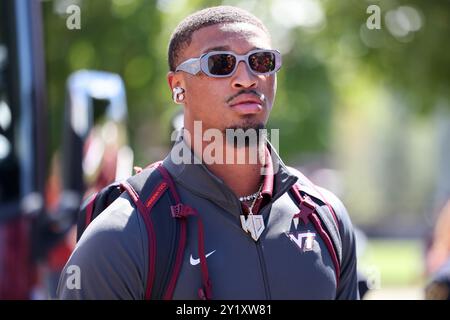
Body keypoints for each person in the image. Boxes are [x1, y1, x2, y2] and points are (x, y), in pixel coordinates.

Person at [57, 5, 359, 300]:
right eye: (220, 63)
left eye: (261, 61)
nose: (247, 78)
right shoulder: (121, 236)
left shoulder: (326, 218)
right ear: (178, 87)